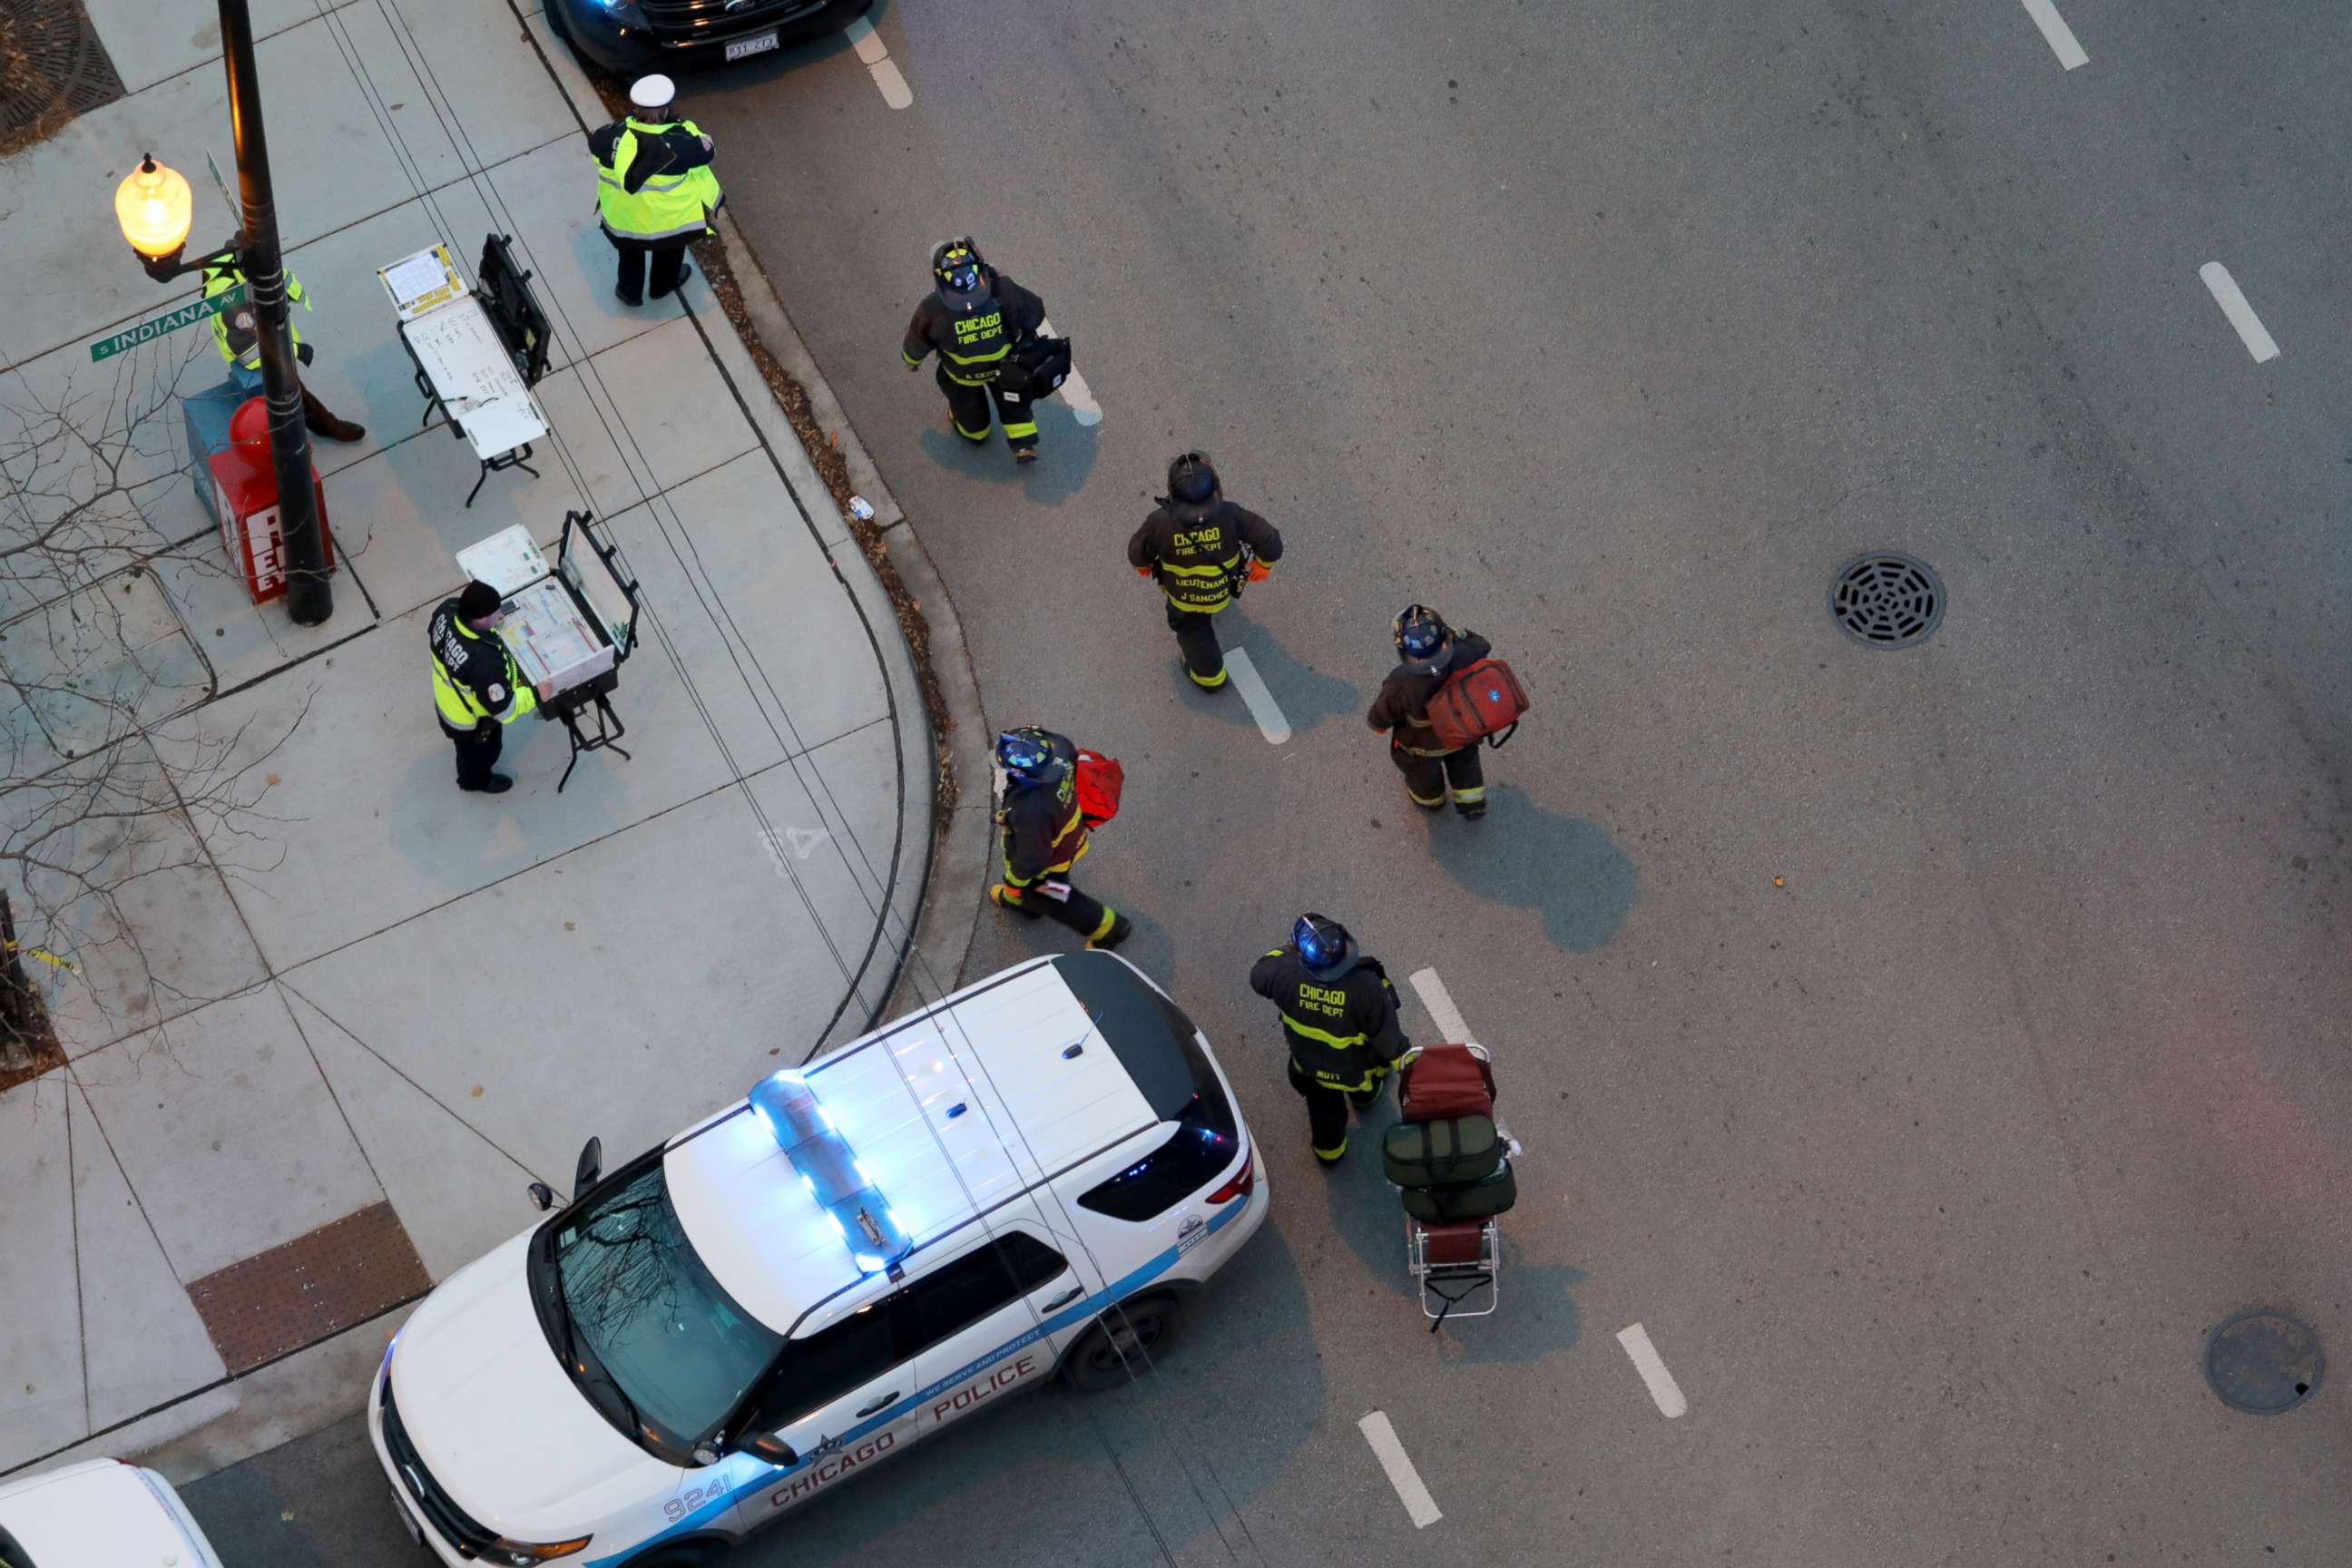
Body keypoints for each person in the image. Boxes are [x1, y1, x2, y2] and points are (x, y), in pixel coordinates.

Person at [1248, 915, 1410, 1165]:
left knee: (1324, 1112)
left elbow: (1259, 974)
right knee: (1365, 1086)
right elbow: (1388, 1040)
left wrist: (1291, 951)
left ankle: (1329, 1152)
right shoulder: (1366, 986)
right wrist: (1411, 1066)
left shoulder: (1284, 975)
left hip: (1309, 1068)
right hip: (1354, 1069)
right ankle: (1364, 1099)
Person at [1127, 451, 1284, 691]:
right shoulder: (1231, 514)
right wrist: (1262, 566)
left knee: (1194, 636)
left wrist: (1143, 566)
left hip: (1185, 601)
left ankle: (1209, 679)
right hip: (1221, 592)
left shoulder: (1160, 523)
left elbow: (1137, 552)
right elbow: (1270, 541)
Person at [901, 238, 1045, 463]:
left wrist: (912, 361)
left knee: (971, 420)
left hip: (963, 376)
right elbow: (1035, 311)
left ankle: (975, 433)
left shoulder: (932, 308)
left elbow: (917, 341)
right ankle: (1023, 443)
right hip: (1005, 370)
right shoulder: (1004, 291)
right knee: (1013, 401)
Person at [988, 728, 1132, 949]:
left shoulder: (1032, 810)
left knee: (1058, 897)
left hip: (1049, 862)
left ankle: (1110, 929)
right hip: (1065, 832)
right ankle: (1024, 905)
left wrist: (1013, 879)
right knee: (1032, 893)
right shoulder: (1061, 750)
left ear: (1023, 776)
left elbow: (1032, 859)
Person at [199, 253, 365, 442]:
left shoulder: (255, 257)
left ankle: (315, 424)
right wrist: (294, 350)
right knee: (292, 391)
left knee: (290, 390)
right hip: (258, 354)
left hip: (267, 335)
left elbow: (282, 282)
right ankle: (324, 426)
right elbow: (250, 353)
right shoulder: (231, 298)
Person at [589, 74, 722, 308]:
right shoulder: (681, 142)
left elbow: (594, 148)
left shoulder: (610, 135)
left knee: (629, 254)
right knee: (669, 254)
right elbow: (708, 151)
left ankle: (629, 292)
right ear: (666, 108)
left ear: (636, 107)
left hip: (624, 220)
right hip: (668, 224)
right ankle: (662, 286)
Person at [1367, 603, 1492, 819]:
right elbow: (1482, 645)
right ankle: (1472, 804)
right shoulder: (1464, 652)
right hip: (1464, 732)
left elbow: (1381, 715)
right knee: (1466, 765)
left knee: (1422, 775)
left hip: (1423, 747)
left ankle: (1431, 802)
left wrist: (1376, 725)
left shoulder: (1401, 682)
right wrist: (1457, 635)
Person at [428, 581, 553, 795]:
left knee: (466, 750)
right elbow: (505, 710)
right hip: (467, 722)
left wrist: (491, 624)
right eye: (496, 612)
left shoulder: (447, 609)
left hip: (446, 701)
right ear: (483, 618)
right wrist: (535, 694)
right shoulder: (483, 662)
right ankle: (474, 782)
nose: (500, 614)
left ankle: (471, 772)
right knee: (481, 753)